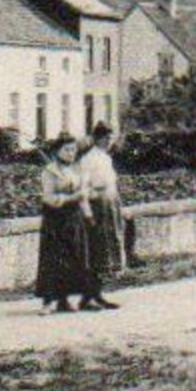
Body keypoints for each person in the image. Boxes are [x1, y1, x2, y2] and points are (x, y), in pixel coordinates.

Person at [35, 134, 103, 313]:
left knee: (74, 258)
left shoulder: (77, 170)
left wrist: (88, 216)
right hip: (55, 219)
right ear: (57, 151)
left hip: (74, 219)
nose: (71, 153)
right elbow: (48, 198)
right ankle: (48, 302)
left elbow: (83, 196)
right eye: (66, 149)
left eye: (73, 149)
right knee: (54, 259)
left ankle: (64, 300)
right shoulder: (50, 171)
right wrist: (71, 198)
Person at [79, 122, 125, 308]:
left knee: (106, 250)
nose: (109, 142)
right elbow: (82, 188)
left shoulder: (105, 158)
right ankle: (87, 297)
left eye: (110, 138)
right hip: (97, 207)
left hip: (110, 206)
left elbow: (111, 184)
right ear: (96, 139)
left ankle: (97, 294)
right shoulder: (88, 160)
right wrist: (88, 213)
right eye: (105, 138)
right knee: (96, 250)